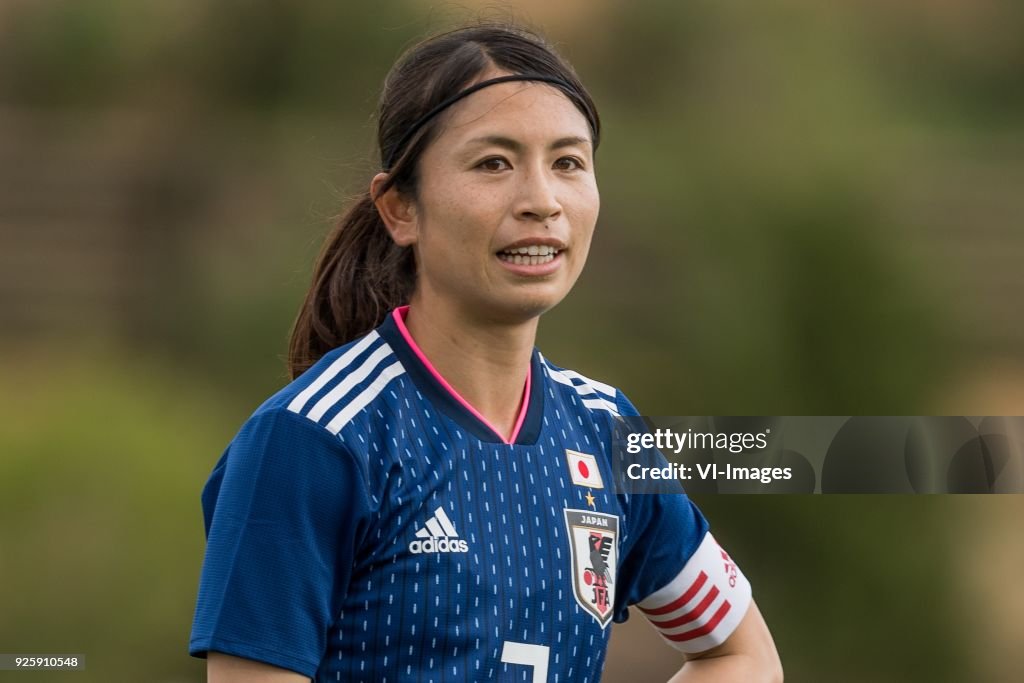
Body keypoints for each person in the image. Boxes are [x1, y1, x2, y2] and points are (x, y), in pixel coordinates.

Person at [189, 22, 782, 683]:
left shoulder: (605, 430)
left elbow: (740, 652)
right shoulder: (312, 439)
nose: (541, 201)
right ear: (400, 209)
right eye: (494, 163)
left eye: (568, 163)